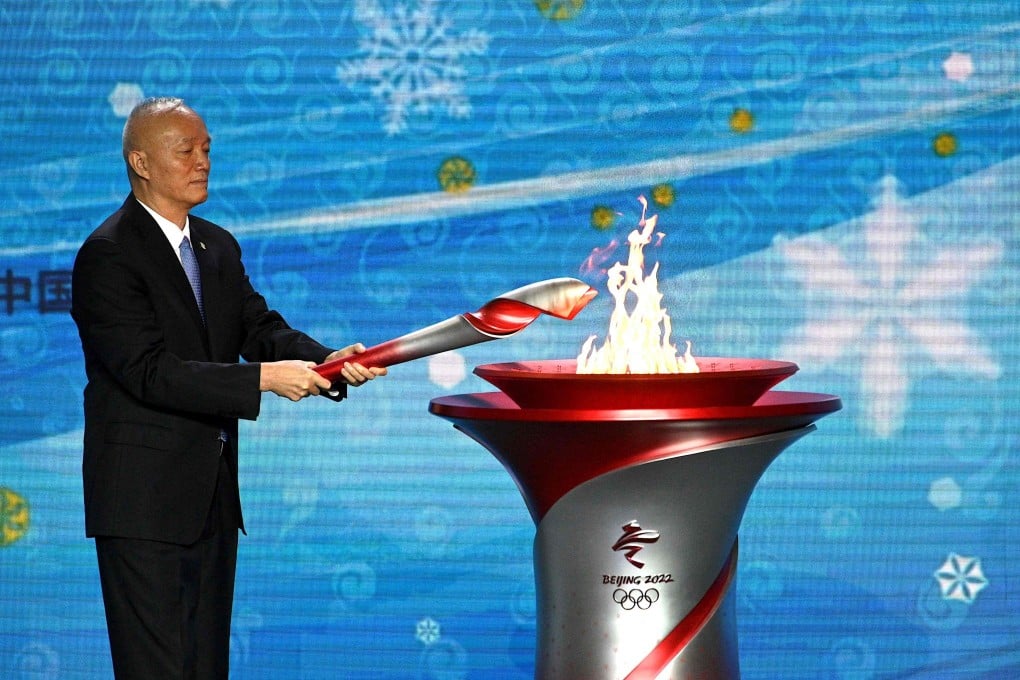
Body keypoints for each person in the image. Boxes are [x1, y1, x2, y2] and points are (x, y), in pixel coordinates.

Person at [70, 96, 386, 679]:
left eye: (207, 149)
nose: (202, 162)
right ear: (140, 162)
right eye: (185, 150)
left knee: (205, 666)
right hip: (142, 503)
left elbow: (258, 328)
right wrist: (265, 380)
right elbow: (148, 371)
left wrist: (327, 362)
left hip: (211, 499)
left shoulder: (216, 245)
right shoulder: (108, 255)